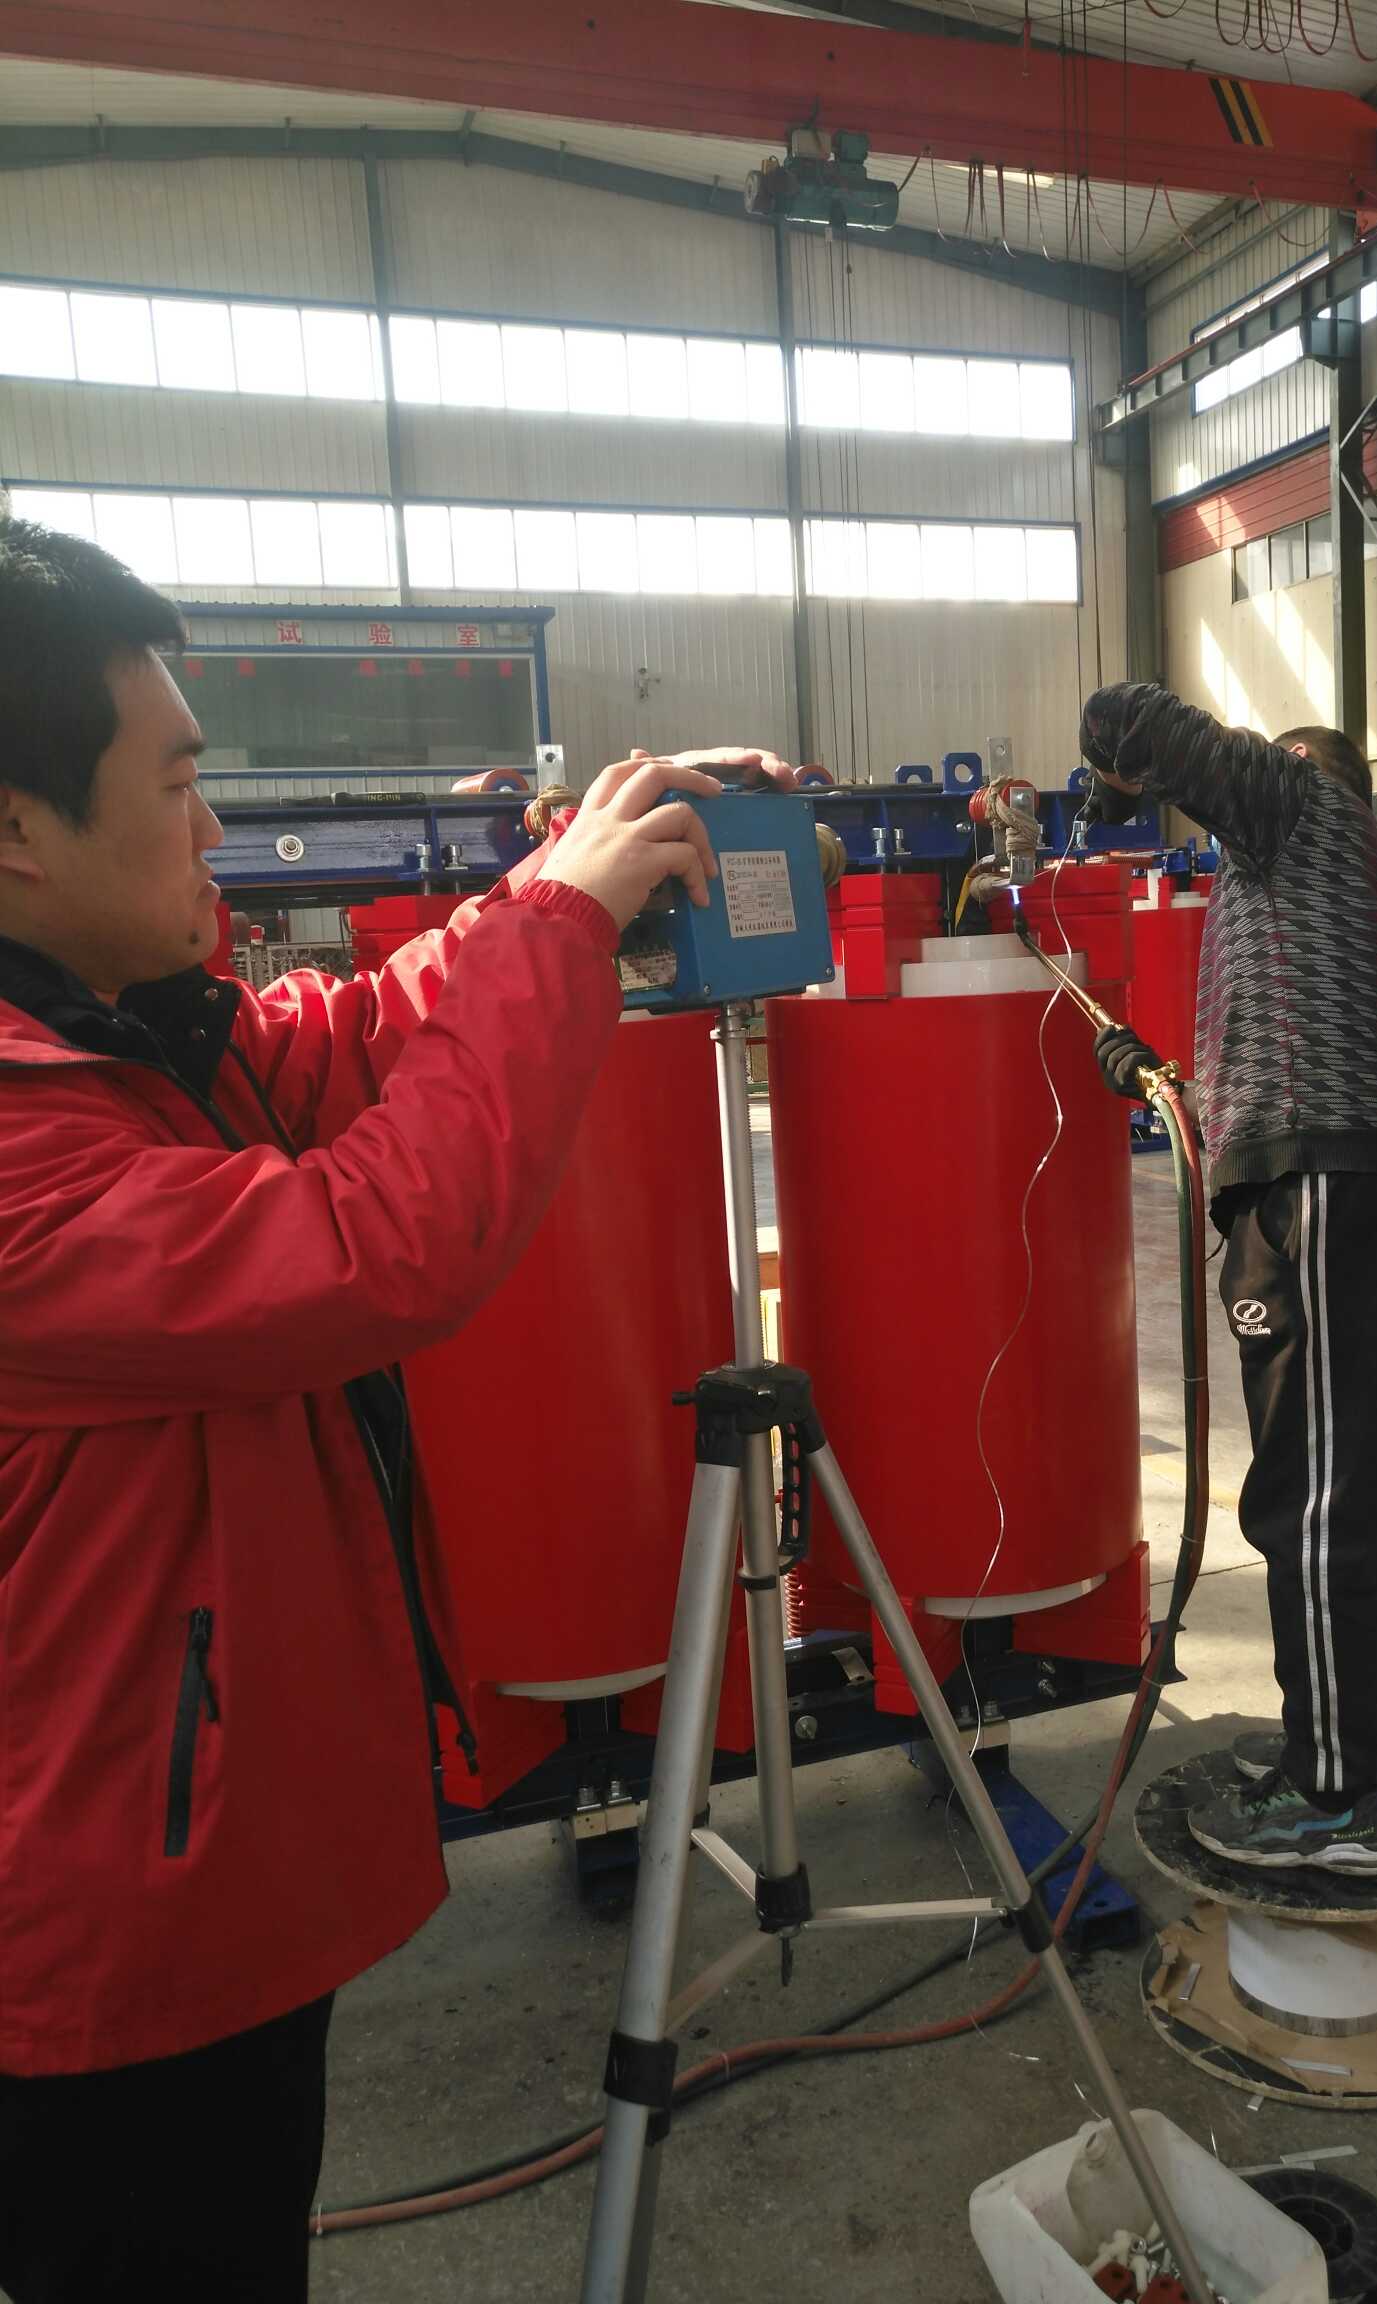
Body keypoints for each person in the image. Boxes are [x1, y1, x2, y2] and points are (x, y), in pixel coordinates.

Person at [0, 514, 793, 2302]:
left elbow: (359, 1036)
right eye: (178, 783)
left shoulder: (122, 1036)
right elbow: (375, 1245)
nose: (214, 831)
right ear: (19, 830)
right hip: (111, 1931)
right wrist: (563, 925)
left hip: (198, 1851)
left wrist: (561, 889)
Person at [1080, 681, 1377, 1878]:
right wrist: (1151, 1071)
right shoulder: (1355, 905)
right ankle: (1360, 1749)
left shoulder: (1301, 812)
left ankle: (1334, 1801)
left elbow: (1125, 713)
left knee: (1313, 1501)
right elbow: (1305, 1060)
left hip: (1328, 1204)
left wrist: (1117, 779)